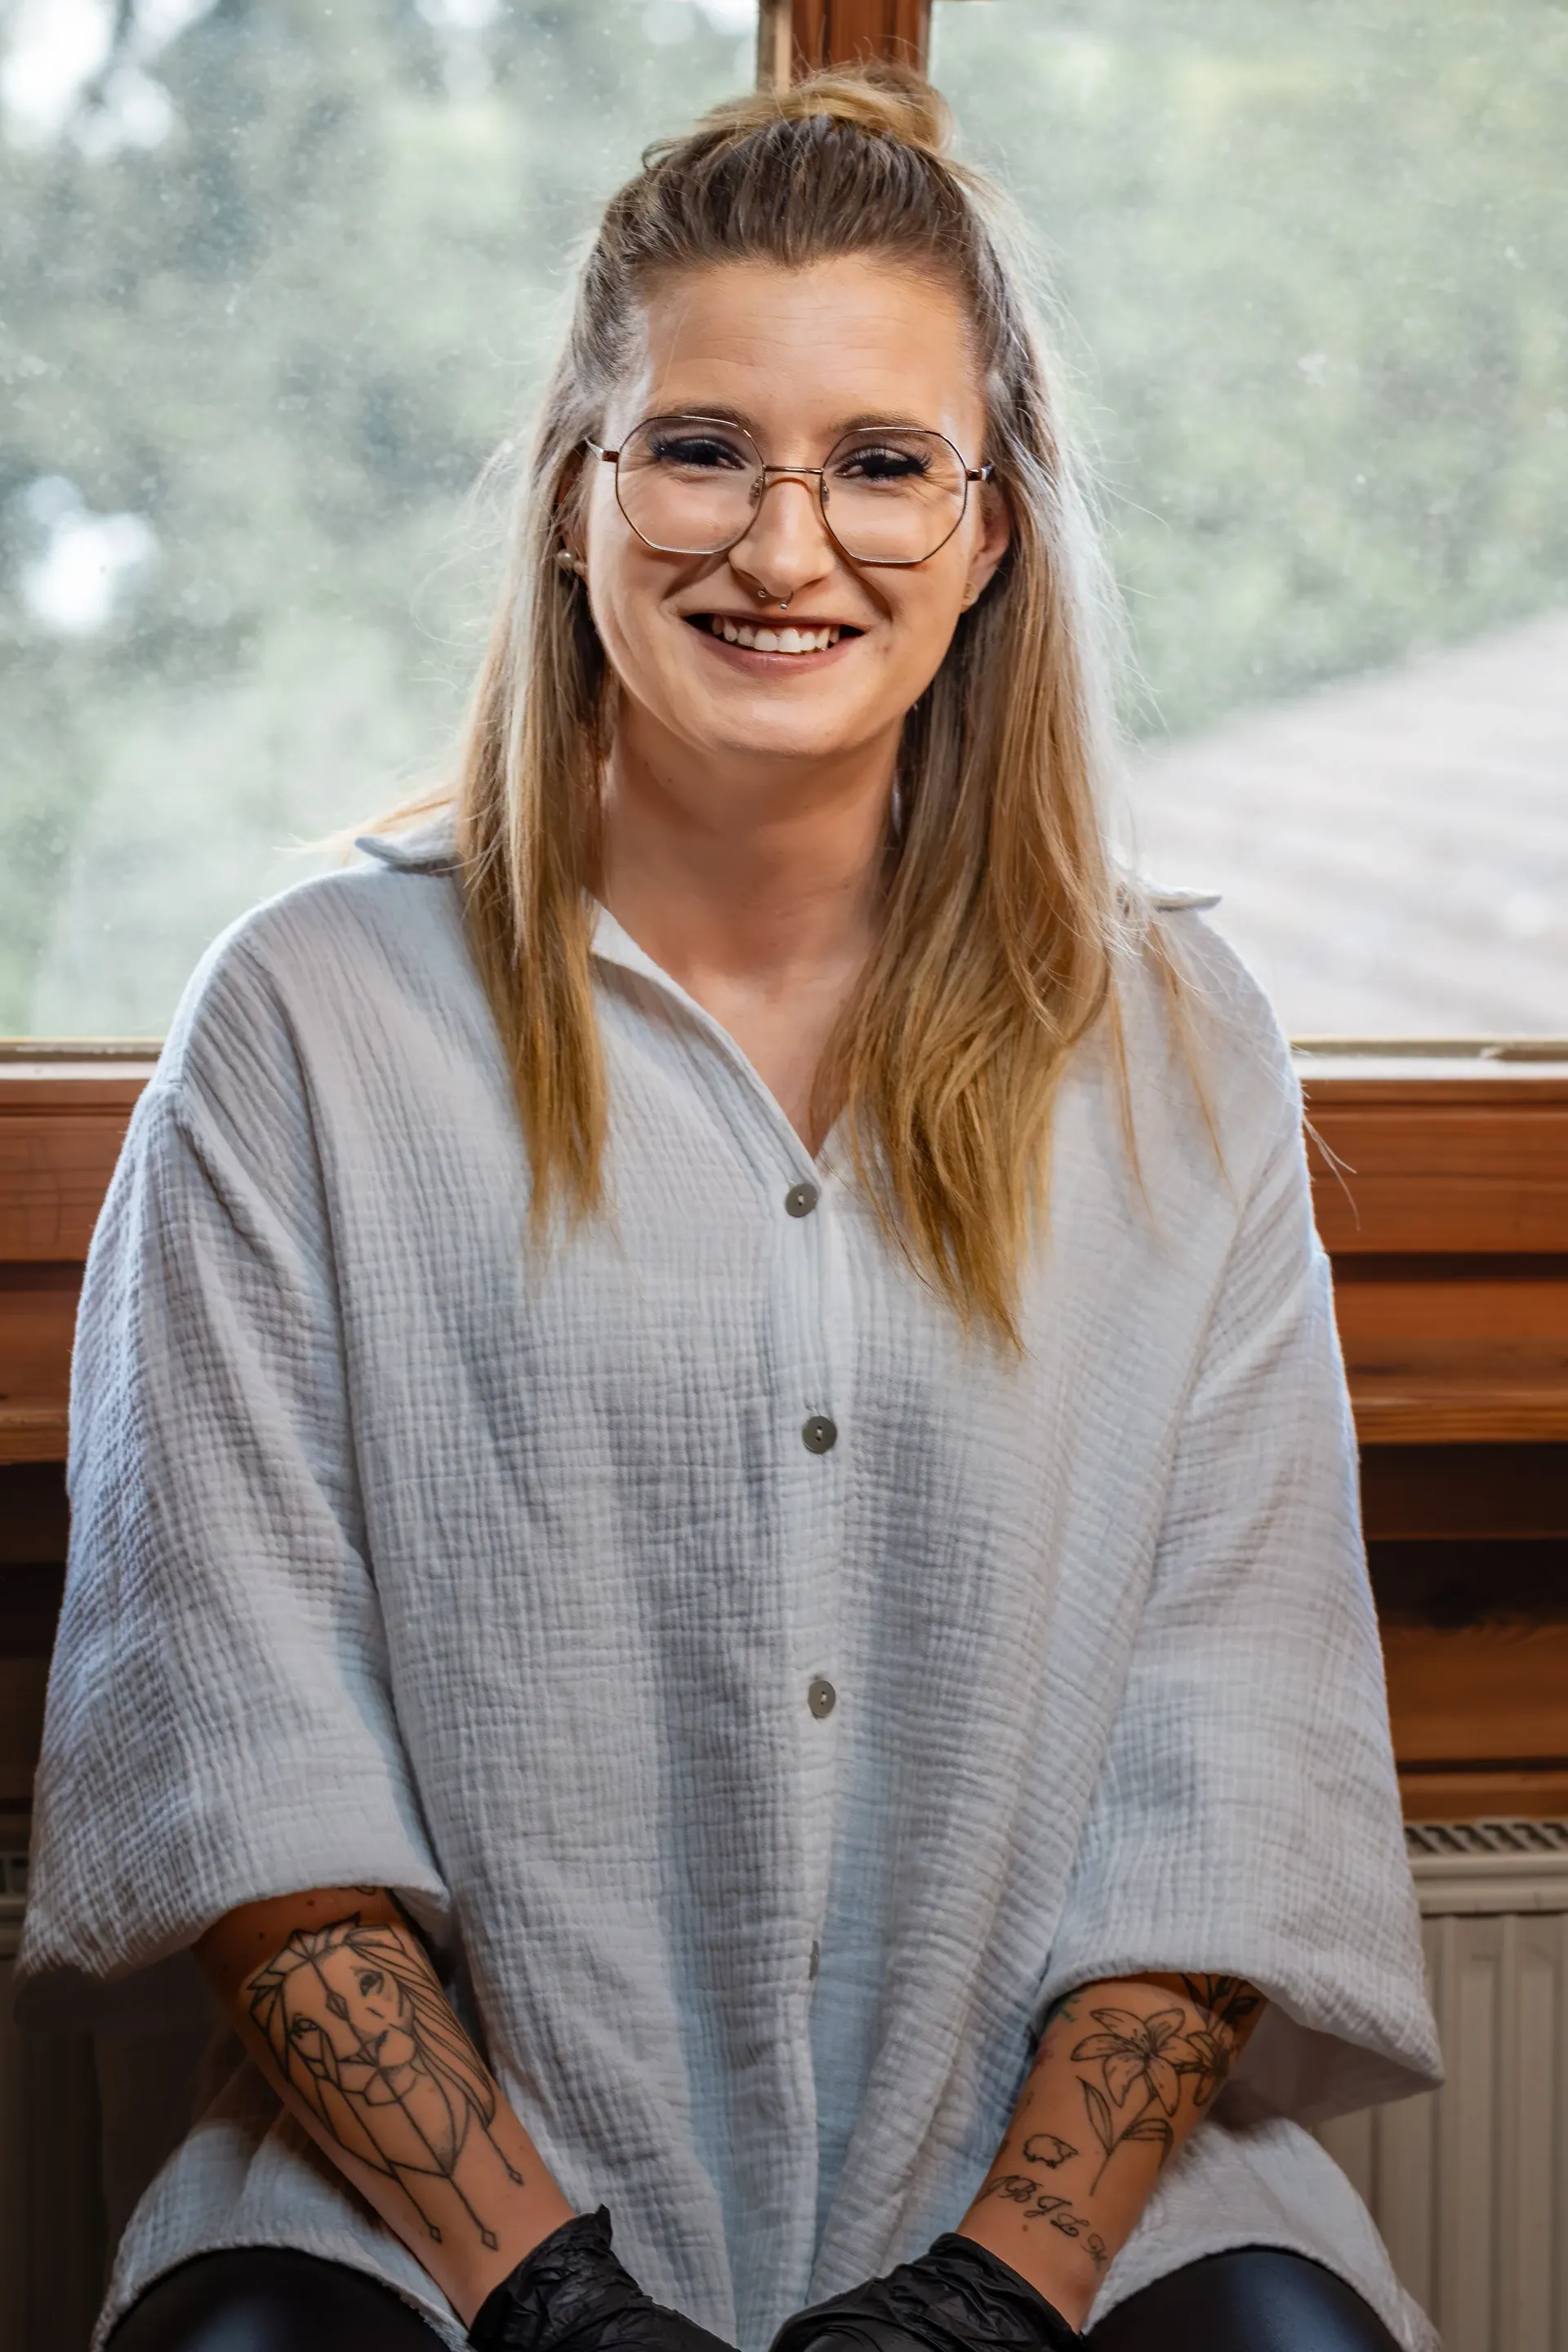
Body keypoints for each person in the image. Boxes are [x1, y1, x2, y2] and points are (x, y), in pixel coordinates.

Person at [20, 64, 1441, 2352]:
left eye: (883, 464)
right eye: (702, 449)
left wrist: (999, 2290)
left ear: (989, 531)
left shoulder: (1182, 1044)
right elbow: (239, 1742)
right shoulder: (306, 1022)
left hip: (1062, 2226)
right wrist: (546, 2295)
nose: (786, 552)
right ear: (578, 501)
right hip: (435, 2225)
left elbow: (1232, 1751)